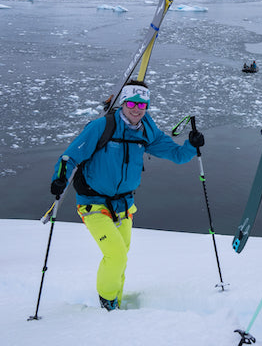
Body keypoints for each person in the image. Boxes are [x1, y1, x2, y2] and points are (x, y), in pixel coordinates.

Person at [50, 81, 205, 311]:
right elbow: (70, 156)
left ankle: (117, 307)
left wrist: (191, 145)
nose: (136, 109)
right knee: (116, 255)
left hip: (124, 205)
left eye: (142, 104)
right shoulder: (102, 126)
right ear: (123, 102)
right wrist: (60, 178)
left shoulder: (147, 130)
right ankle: (107, 304)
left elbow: (177, 155)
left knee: (121, 257)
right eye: (132, 103)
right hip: (93, 203)